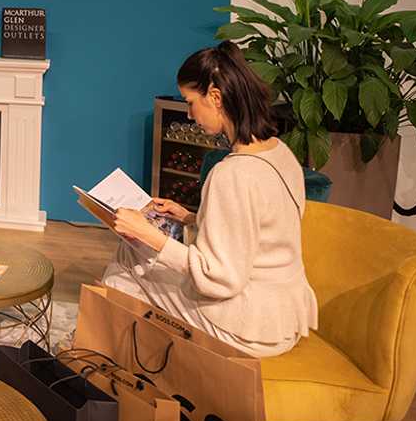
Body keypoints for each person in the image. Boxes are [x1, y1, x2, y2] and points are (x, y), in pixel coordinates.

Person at [103, 41, 317, 357]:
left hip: (247, 327)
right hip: (283, 317)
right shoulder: (280, 152)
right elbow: (259, 233)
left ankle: (112, 362)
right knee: (140, 255)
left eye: (191, 102)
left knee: (130, 258)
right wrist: (191, 218)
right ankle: (133, 358)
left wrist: (150, 236)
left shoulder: (231, 174)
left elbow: (219, 279)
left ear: (215, 97)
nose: (190, 115)